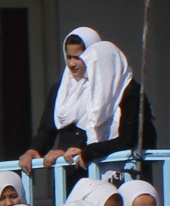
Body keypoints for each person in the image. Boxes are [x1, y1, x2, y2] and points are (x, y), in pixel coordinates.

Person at [20, 30, 154, 168]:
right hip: (70, 169)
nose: (72, 63)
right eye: (69, 57)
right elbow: (47, 129)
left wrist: (84, 150)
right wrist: (33, 150)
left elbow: (123, 135)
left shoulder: (109, 88)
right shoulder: (60, 90)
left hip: (101, 165)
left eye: (78, 57)